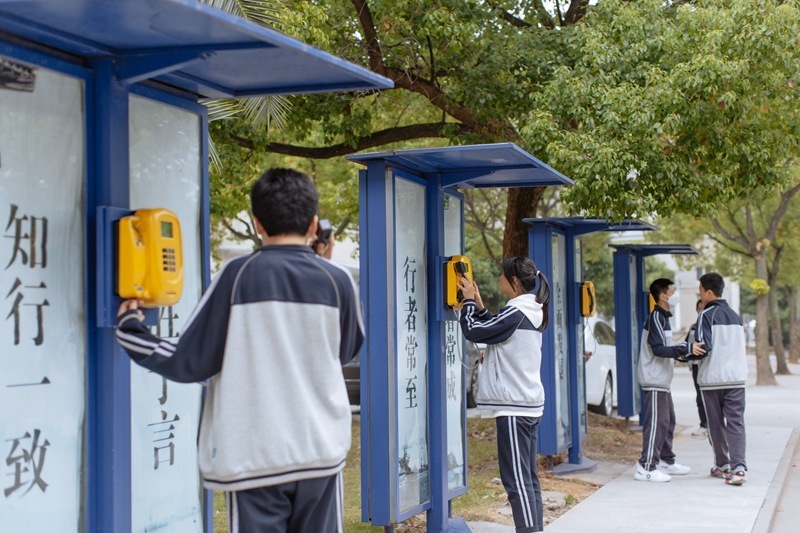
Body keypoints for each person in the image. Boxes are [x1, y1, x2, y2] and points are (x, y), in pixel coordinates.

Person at [114, 168, 364, 531]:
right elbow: (346, 350)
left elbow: (188, 361)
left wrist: (130, 328)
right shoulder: (336, 279)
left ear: (257, 222)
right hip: (319, 451)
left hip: (254, 457)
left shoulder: (236, 275)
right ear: (313, 224)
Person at [457, 257, 549, 533]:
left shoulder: (516, 311)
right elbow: (496, 331)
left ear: (515, 282)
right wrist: (481, 306)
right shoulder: (528, 309)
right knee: (527, 478)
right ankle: (534, 528)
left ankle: (529, 530)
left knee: (516, 481)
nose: (498, 279)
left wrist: (469, 303)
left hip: (514, 407)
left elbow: (473, 331)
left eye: (502, 275)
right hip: (527, 404)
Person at [635, 278, 705, 482]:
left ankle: (666, 460)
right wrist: (685, 348)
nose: (675, 296)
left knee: (668, 421)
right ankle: (646, 466)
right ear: (663, 295)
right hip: (654, 380)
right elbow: (657, 349)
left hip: (662, 381)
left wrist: (683, 354)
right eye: (673, 292)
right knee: (657, 423)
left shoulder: (664, 319)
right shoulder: (656, 317)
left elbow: (666, 348)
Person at [694, 272, 748, 486]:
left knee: (716, 425)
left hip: (712, 380)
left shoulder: (706, 316)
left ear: (708, 292)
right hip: (736, 379)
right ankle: (740, 468)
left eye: (700, 291)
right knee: (736, 423)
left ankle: (723, 465)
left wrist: (682, 353)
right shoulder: (735, 316)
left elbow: (702, 348)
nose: (700, 295)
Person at [683, 299, 709, 437]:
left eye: (704, 307)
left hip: (708, 365)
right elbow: (687, 345)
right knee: (700, 396)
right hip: (696, 366)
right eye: (699, 308)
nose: (701, 310)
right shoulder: (694, 327)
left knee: (712, 396)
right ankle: (704, 424)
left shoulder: (711, 325)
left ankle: (714, 424)